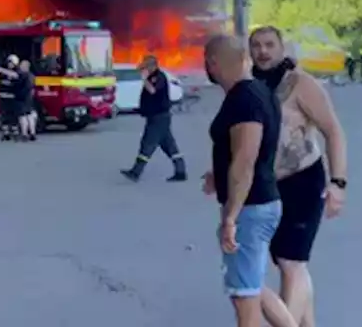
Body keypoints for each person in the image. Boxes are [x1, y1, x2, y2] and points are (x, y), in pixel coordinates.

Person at [248, 27, 349, 327]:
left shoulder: (302, 85)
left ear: (282, 48)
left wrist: (338, 182)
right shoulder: (249, 86)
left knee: (292, 263)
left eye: (269, 45)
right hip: (266, 185)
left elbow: (333, 131)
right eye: (256, 46)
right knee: (285, 261)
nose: (263, 51)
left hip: (303, 180)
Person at [201, 35, 297, 327]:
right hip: (260, 203)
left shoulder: (244, 99)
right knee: (253, 287)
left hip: (250, 208)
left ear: (213, 63)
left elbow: (246, 159)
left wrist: (231, 217)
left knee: (244, 299)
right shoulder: (259, 92)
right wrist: (219, 174)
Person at [120, 55, 187, 182]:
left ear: (152, 66)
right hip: (157, 117)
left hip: (159, 118)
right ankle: (180, 171)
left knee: (147, 143)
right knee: (169, 146)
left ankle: (136, 172)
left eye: (146, 66)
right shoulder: (153, 76)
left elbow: (152, 90)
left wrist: (144, 79)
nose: (144, 69)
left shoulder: (159, 77)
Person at [0, 55, 21, 142]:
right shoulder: (2, 74)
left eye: (12, 63)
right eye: (9, 63)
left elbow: (18, 84)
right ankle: (5, 133)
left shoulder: (17, 73)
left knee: (14, 116)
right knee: (4, 115)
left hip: (13, 98)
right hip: (3, 97)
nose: (10, 65)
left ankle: (15, 132)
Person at [17, 58, 38, 142]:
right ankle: (32, 133)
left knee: (22, 116)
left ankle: (24, 134)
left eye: (21, 65)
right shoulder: (32, 76)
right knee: (30, 115)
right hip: (30, 98)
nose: (20, 66)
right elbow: (32, 87)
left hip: (22, 98)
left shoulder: (21, 75)